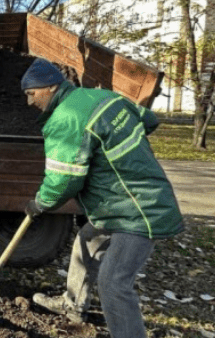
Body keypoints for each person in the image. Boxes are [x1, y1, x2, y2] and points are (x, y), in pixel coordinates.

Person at [20, 58, 184, 338]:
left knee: (113, 284)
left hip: (138, 209)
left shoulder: (66, 118)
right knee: (87, 239)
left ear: (49, 87)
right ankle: (72, 305)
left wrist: (39, 204)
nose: (29, 102)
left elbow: (63, 182)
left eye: (31, 94)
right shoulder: (102, 96)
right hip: (122, 203)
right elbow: (148, 120)